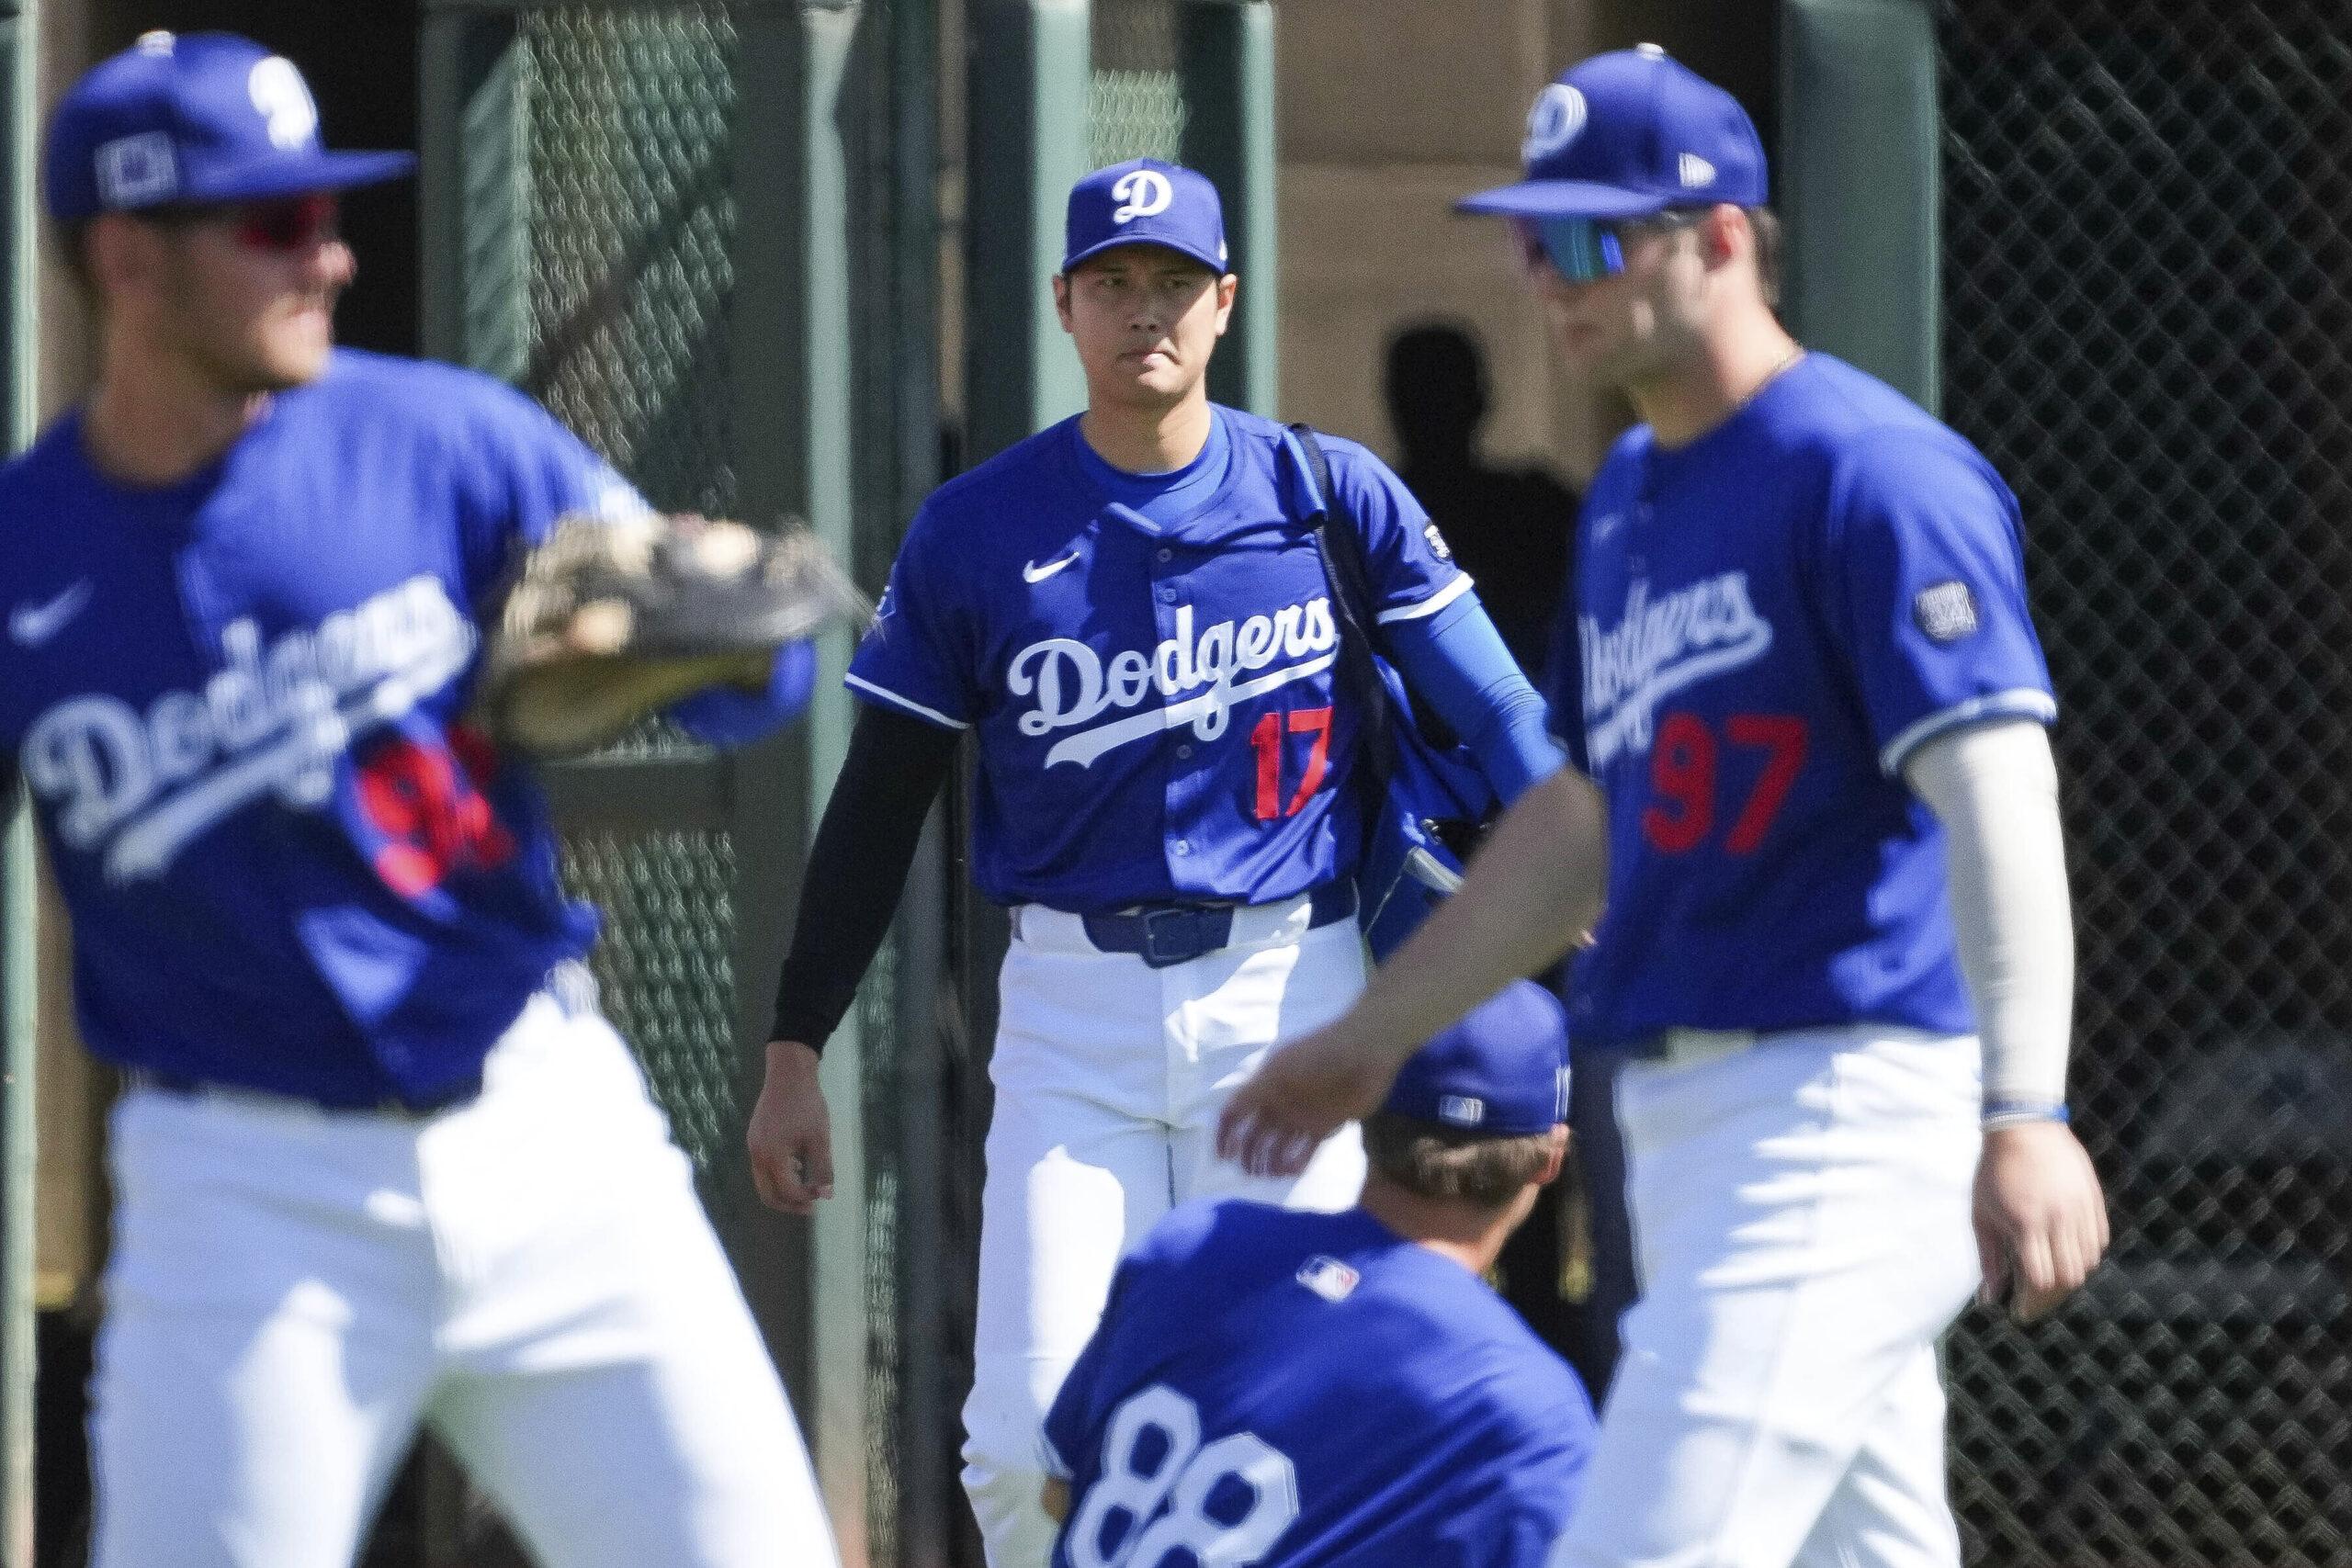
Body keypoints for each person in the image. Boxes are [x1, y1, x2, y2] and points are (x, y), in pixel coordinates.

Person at [1218, 45, 2111, 1568]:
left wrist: (2026, 1109)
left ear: (1719, 238)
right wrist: (1372, 1036)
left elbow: (1998, 789)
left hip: (1832, 1106)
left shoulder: (1872, 472)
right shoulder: (1634, 496)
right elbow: (1579, 821)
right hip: (1689, 1119)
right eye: (1528, 237)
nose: (1549, 276)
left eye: (1587, 237)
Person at [1, 33, 836, 1568]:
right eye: (271, 224)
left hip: (545, 1120)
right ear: (127, 256)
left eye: (328, 210)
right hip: (246, 1194)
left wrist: (690, 643)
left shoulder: (448, 440)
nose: (328, 254)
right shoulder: (26, 555)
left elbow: (762, 685)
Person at [745, 157, 1565, 1565]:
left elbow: (1496, 708)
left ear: (1226, 301)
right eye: (1115, 283)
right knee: (1022, 1442)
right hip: (1072, 1013)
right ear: (1064, 304)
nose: (1147, 313)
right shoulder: (977, 530)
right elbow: (880, 798)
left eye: (1175, 283)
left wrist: (1572, 842)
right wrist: (794, 1040)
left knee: (1300, 1418)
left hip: (1291, 988)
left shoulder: (1324, 491)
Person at [1041, 980, 1597, 1568]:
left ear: (1365, 1112)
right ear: (1551, 1158)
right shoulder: (1524, 1406)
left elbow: (1060, 1494)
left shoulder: (1196, 1246)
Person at [1385, 322, 1580, 674]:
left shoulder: (1538, 511)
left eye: (1443, 394)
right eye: (1419, 397)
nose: (1431, 413)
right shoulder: (1369, 523)